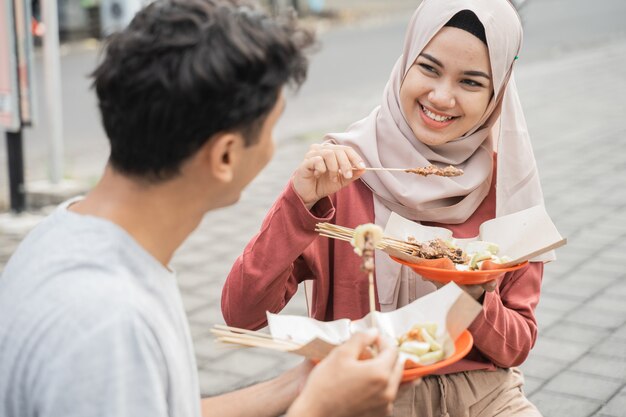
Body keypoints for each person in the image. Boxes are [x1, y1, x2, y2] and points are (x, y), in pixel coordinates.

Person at [0, 1, 404, 416]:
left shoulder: (69, 233)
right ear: (225, 156)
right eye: (270, 131)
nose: (272, 149)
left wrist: (299, 385)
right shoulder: (108, 321)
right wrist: (319, 409)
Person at [222, 0, 553, 415]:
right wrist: (298, 204)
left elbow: (515, 347)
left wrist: (472, 296)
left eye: (471, 82)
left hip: (483, 397)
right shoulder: (341, 172)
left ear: (496, 93)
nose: (441, 97)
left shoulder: (509, 188)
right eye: (429, 68)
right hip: (361, 397)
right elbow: (241, 316)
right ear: (406, 60)